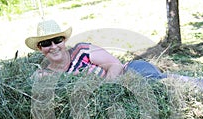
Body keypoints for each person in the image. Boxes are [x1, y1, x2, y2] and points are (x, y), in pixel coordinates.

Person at [25, 19, 171, 81]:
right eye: (46, 43)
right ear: (39, 48)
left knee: (158, 84)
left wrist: (107, 90)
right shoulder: (44, 74)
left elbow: (116, 65)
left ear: (64, 41)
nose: (53, 47)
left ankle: (193, 84)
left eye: (57, 40)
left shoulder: (82, 51)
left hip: (131, 73)